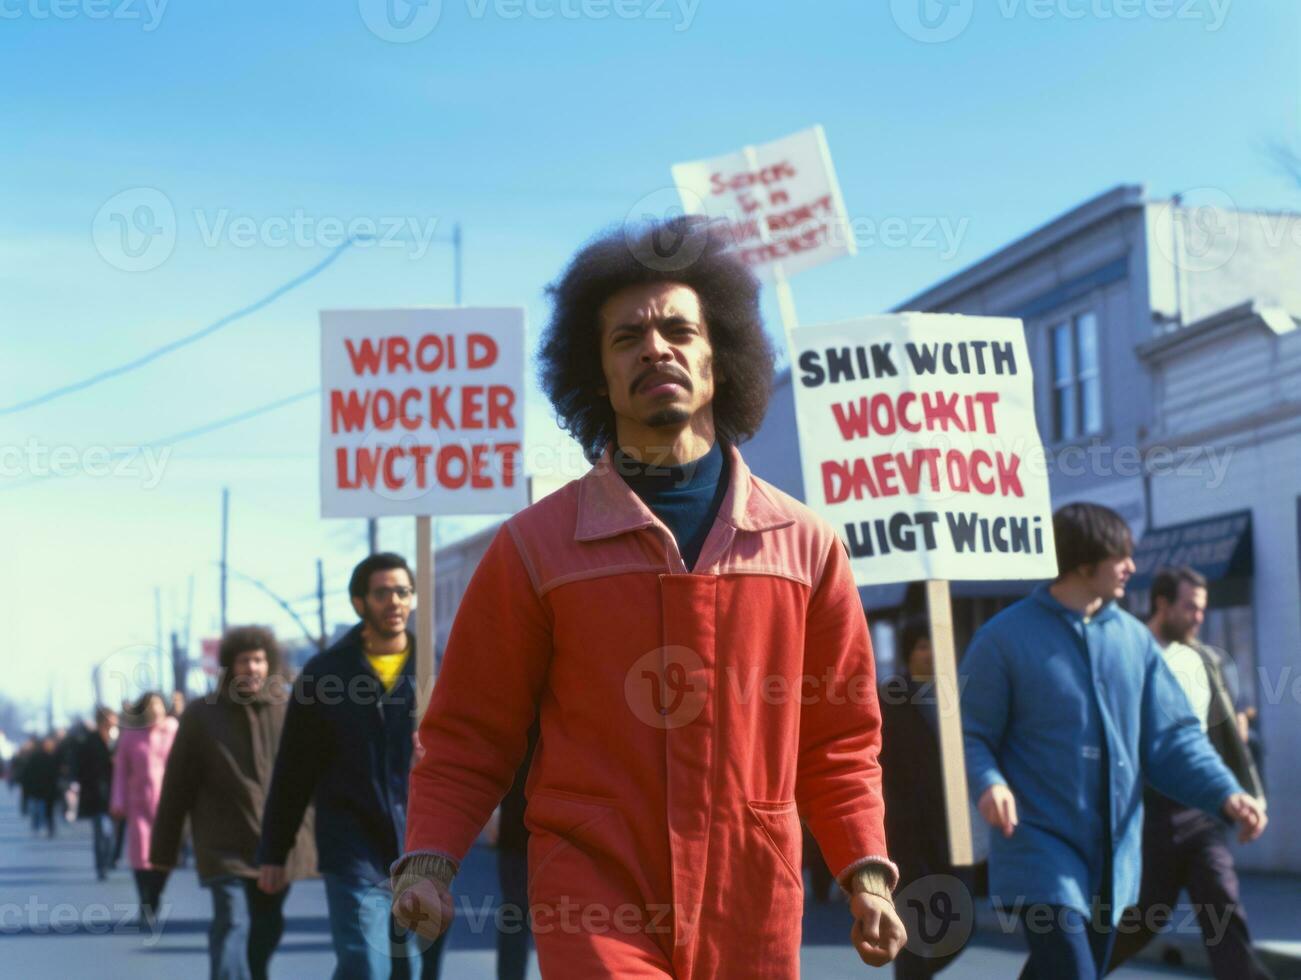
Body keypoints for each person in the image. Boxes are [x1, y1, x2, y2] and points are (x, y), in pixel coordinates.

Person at [390, 216, 905, 978]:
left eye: (677, 330)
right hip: (592, 890)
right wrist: (429, 857)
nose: (654, 347)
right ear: (596, 375)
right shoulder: (534, 548)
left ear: (718, 358)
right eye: (626, 337)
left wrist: (865, 868)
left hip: (753, 889)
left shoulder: (805, 547)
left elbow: (837, 740)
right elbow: (469, 732)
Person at [961, 503, 1267, 979]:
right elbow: (973, 733)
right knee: (1073, 970)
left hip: (1114, 856)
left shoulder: (1133, 641)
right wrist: (988, 781)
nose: (1131, 567)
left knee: (1059, 971)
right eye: (1119, 556)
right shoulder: (1003, 639)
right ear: (1084, 564)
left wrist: (1226, 792)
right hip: (1039, 849)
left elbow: (1173, 739)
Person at [258, 553, 446, 980]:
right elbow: (294, 768)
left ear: (414, 599)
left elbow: (472, 747)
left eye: (402, 592)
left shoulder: (434, 669)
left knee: (409, 968)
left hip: (419, 842)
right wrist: (274, 849)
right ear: (359, 603)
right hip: (351, 843)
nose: (394, 601)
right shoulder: (325, 674)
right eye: (382, 593)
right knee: (364, 962)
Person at [1108, 566, 1272, 978]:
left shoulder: (1204, 659)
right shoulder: (1131, 651)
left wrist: (1244, 794)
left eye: (1202, 608)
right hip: (1145, 813)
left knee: (1223, 906)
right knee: (1141, 920)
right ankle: (1061, 970)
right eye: (1190, 607)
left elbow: (1222, 737)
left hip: (1201, 809)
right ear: (1162, 603)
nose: (1199, 616)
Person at [150, 626, 316, 980]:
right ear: (229, 666)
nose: (252, 668)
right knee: (232, 921)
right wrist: (163, 857)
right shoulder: (202, 715)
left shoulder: (290, 711)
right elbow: (176, 788)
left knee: (267, 928)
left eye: (259, 660)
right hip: (223, 845)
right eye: (244, 661)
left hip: (277, 848)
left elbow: (311, 777)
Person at [879, 618, 978, 979]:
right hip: (907, 832)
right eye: (922, 645)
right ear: (909, 651)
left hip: (955, 829)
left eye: (936, 643)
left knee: (962, 925)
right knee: (916, 922)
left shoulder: (959, 695)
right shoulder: (890, 697)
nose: (931, 652)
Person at [111, 691, 178, 928]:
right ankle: (144, 901)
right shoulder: (130, 735)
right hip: (138, 803)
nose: (155, 710)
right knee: (141, 856)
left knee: (165, 856)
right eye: (150, 706)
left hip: (168, 805)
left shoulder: (173, 730)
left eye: (159, 705)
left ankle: (156, 894)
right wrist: (117, 801)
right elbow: (120, 771)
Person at [76, 707, 119, 880]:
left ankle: (109, 858)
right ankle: (101, 866)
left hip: (116, 792)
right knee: (100, 831)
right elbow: (82, 767)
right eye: (111, 718)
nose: (114, 721)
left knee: (112, 833)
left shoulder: (117, 739)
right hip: (96, 793)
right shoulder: (90, 740)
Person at [21, 736, 60, 837]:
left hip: (41, 789)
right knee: (45, 810)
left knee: (41, 809)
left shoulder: (37, 758)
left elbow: (27, 774)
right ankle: (46, 827)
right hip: (45, 789)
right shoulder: (49, 758)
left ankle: (41, 826)